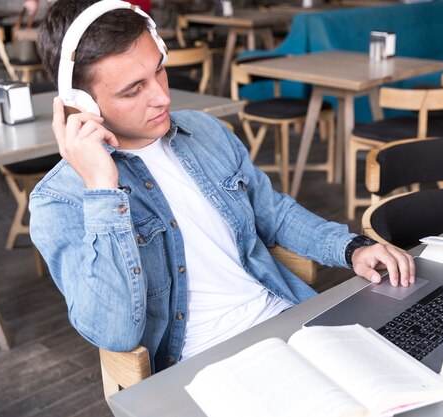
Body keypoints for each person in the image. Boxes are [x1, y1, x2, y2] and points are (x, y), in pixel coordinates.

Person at [30, 0, 415, 373]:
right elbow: (114, 333)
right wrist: (102, 188)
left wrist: (350, 248)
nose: (162, 96)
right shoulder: (59, 201)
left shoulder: (206, 130)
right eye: (133, 90)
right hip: (205, 363)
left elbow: (273, 213)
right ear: (80, 104)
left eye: (160, 71)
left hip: (289, 318)